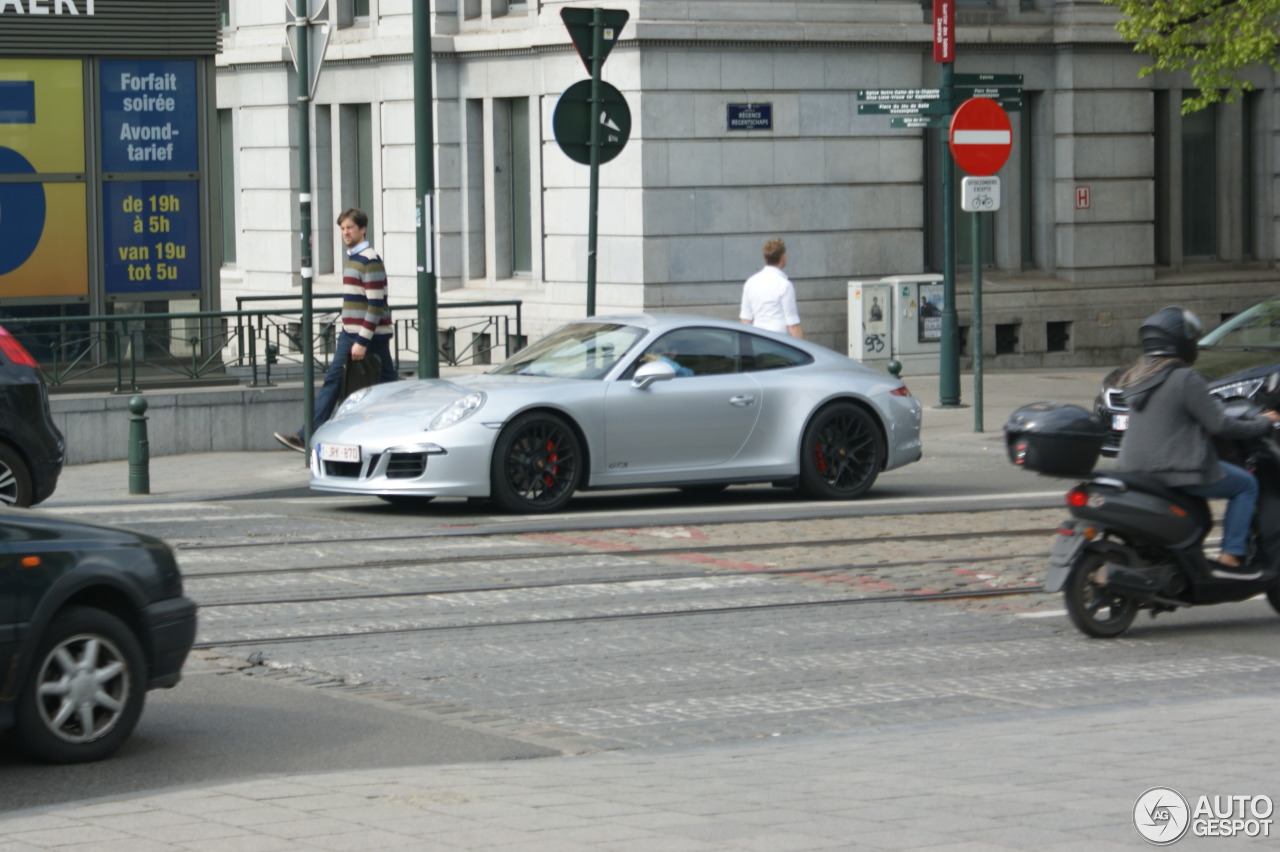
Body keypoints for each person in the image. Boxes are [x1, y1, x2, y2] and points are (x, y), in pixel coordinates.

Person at [1115, 305, 1280, 579]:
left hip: (1134, 467)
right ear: (1181, 342)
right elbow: (1218, 423)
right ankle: (1231, 557)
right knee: (1246, 485)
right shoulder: (1184, 377)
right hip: (1177, 468)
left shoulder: (1137, 377)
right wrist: (1261, 423)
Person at [274, 208, 397, 452]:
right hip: (353, 333)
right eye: (342, 228)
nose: (345, 233)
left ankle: (307, 434)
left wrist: (361, 341)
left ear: (363, 229)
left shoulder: (369, 260)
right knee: (376, 385)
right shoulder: (354, 258)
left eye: (350, 227)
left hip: (366, 337)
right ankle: (308, 434)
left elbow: (376, 304)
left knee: (383, 387)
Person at [740, 237, 802, 338]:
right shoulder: (784, 285)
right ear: (783, 257)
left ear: (766, 258)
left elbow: (745, 321)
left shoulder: (750, 283)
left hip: (758, 341)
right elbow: (793, 325)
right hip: (780, 342)